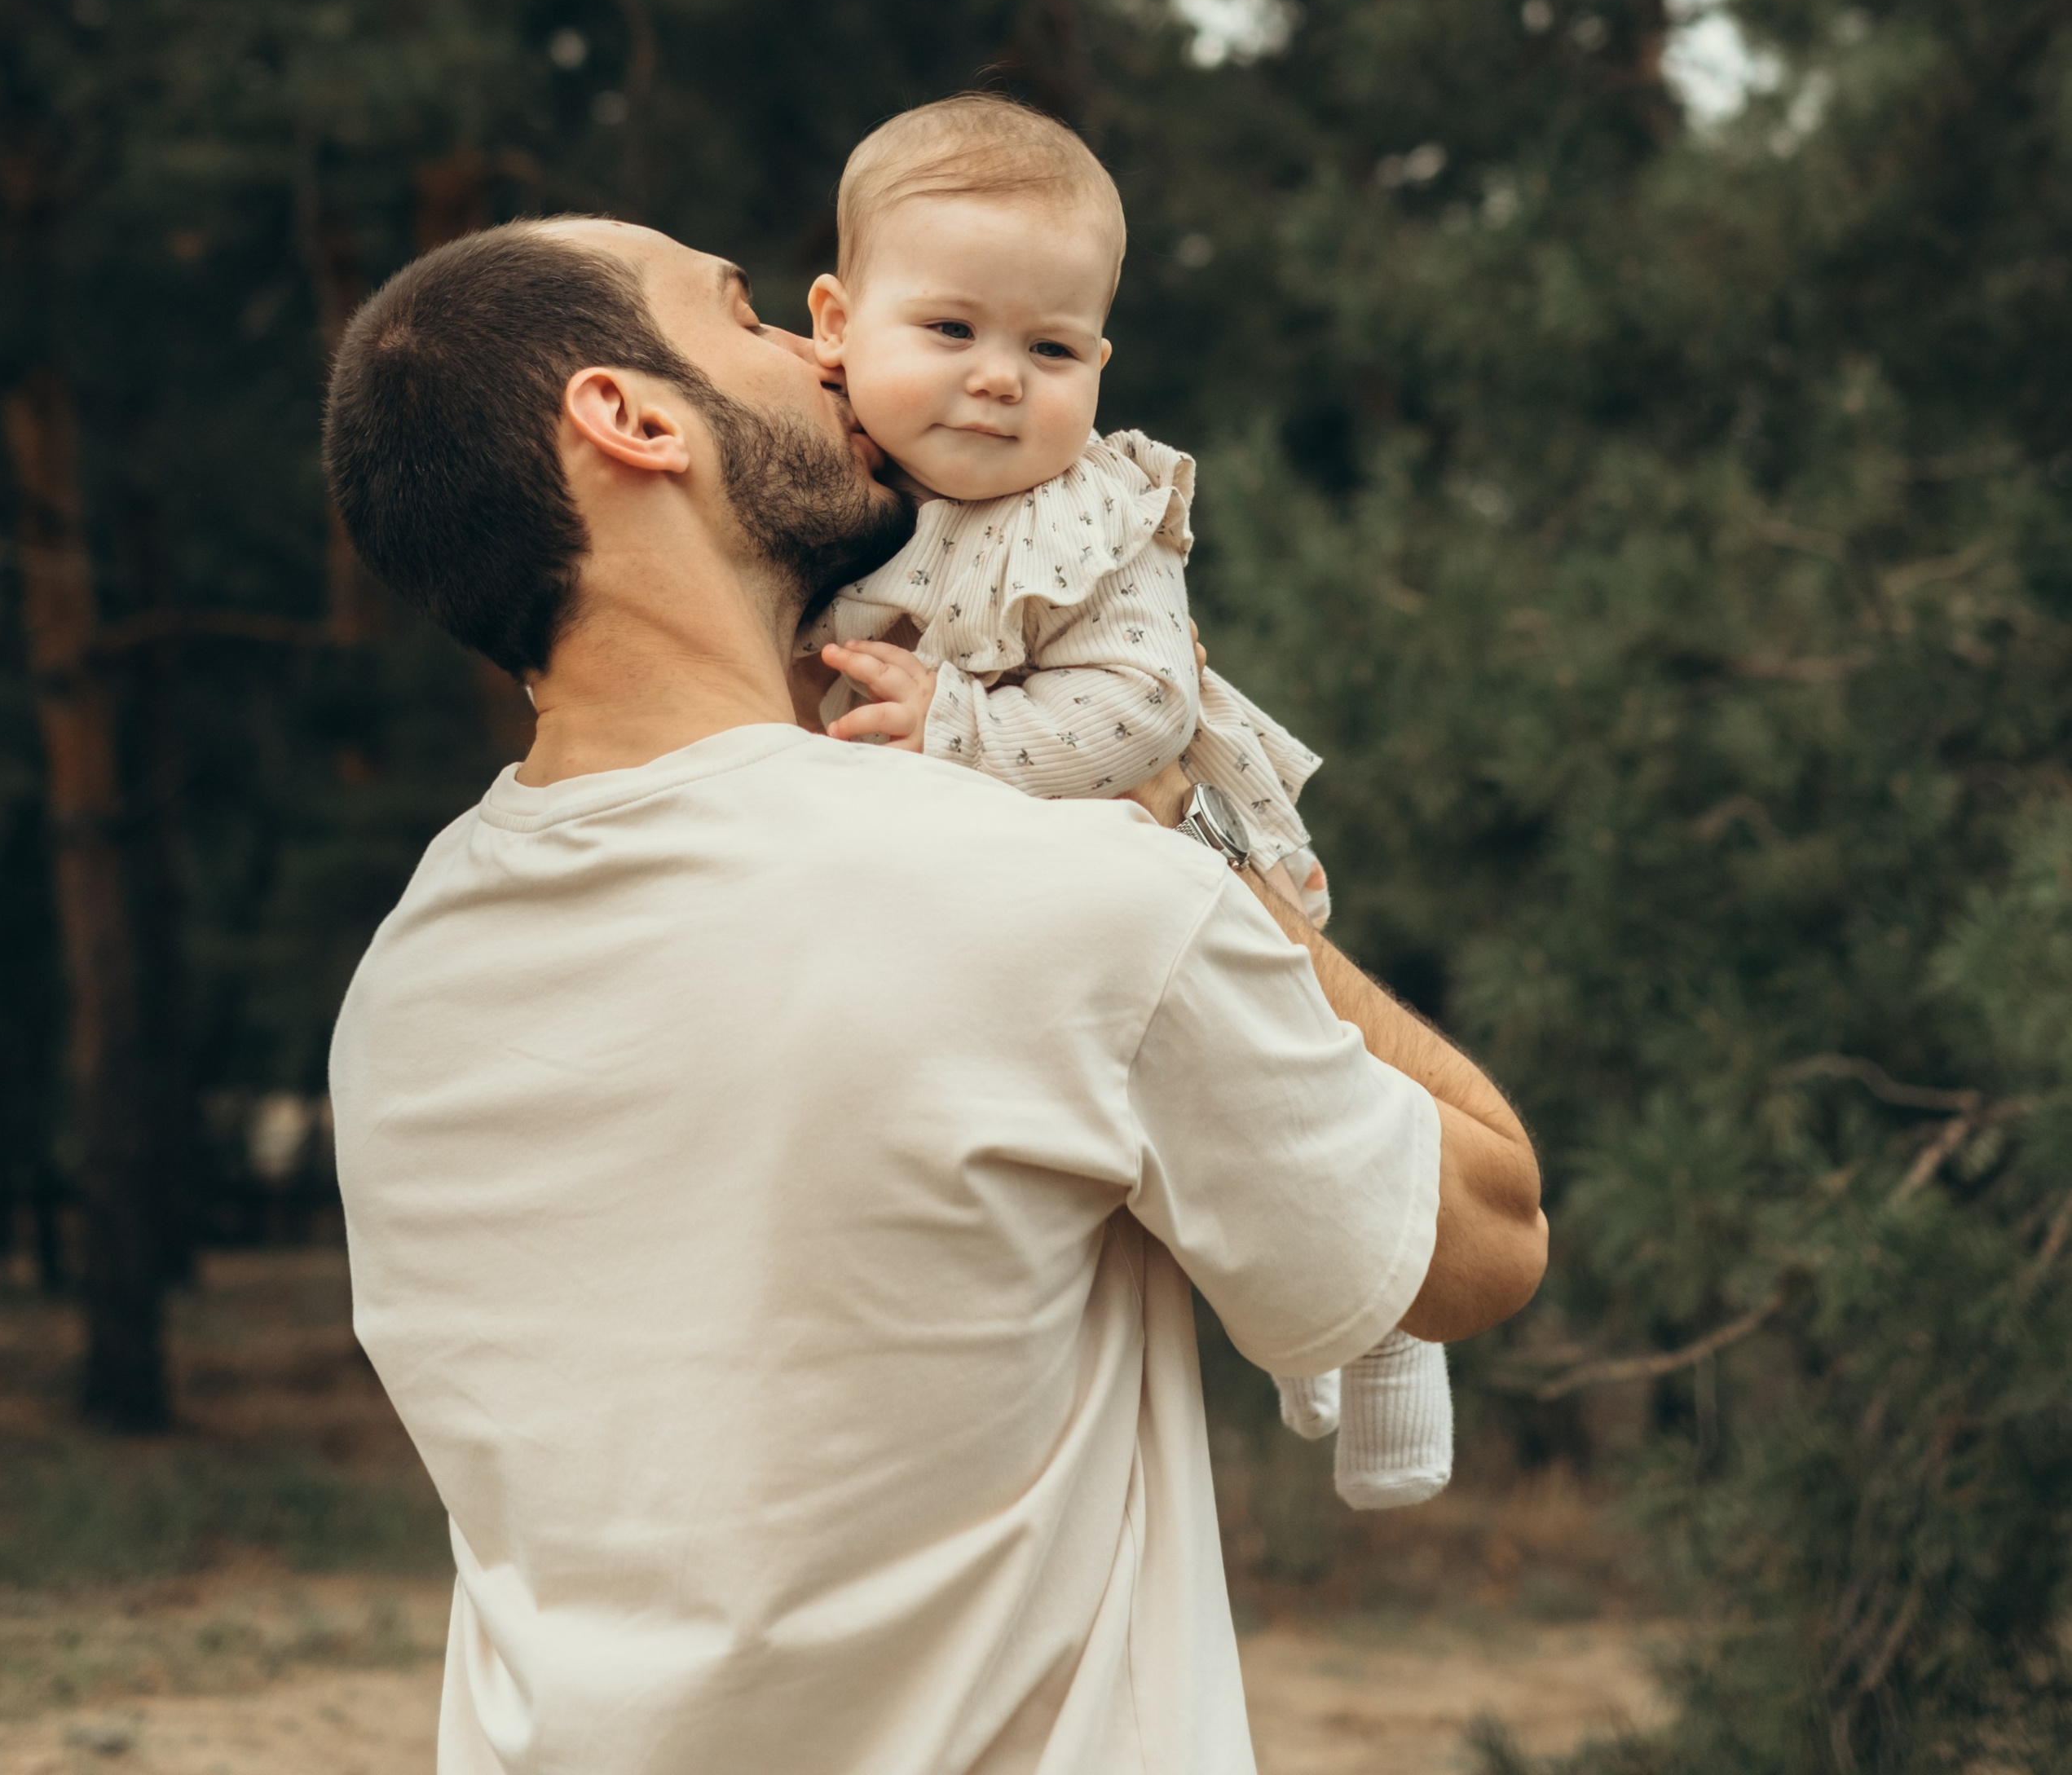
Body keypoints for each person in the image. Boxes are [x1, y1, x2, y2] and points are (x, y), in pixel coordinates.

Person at [324, 215, 1546, 1775]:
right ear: (632, 419)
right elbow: (1485, 1236)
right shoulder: (1064, 894)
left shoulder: (404, 987)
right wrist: (1195, 838)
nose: (826, 353)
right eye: (749, 316)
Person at [800, 93, 1448, 1514]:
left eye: (1051, 349)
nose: (998, 381)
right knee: (1163, 1173)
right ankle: (1304, 1322)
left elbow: (1145, 713)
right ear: (835, 326)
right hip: (1011, 918)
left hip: (1194, 860)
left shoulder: (1087, 513)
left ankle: (1393, 1336)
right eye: (950, 330)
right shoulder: (823, 489)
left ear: (1101, 363)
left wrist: (959, 727)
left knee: (1313, 1120)